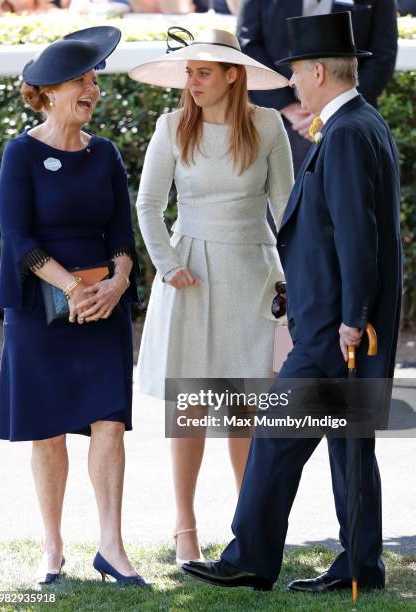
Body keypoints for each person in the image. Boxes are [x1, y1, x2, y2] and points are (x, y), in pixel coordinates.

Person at [182, 11, 402, 594]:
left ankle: (250, 558)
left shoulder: (350, 131)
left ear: (318, 71)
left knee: (277, 437)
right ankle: (361, 566)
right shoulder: (359, 123)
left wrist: (352, 320)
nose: (294, 84)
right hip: (339, 322)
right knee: (348, 449)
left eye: (297, 73)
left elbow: (359, 237)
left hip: (337, 328)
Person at [129, 28, 293, 565]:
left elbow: (287, 211)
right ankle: (185, 529)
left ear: (232, 75)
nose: (192, 81)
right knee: (192, 405)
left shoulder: (268, 125)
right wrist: (169, 264)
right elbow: (149, 204)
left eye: (203, 72)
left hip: (254, 271)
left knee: (245, 404)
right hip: (190, 271)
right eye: (188, 72)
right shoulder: (171, 125)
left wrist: (295, 286)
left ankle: (252, 531)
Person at [0, 27, 147, 587]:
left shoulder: (104, 153)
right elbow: (18, 237)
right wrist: (71, 287)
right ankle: (52, 549)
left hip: (105, 304)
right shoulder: (20, 152)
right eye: (82, 80)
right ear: (50, 91)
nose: (93, 88)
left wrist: (117, 280)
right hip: (41, 306)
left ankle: (111, 547)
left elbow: (121, 233)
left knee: (109, 421)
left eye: (94, 80)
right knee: (49, 429)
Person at [237, 0, 398, 174]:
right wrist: (289, 108)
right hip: (283, 119)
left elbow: (383, 54)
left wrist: (337, 109)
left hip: (349, 121)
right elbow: (248, 43)